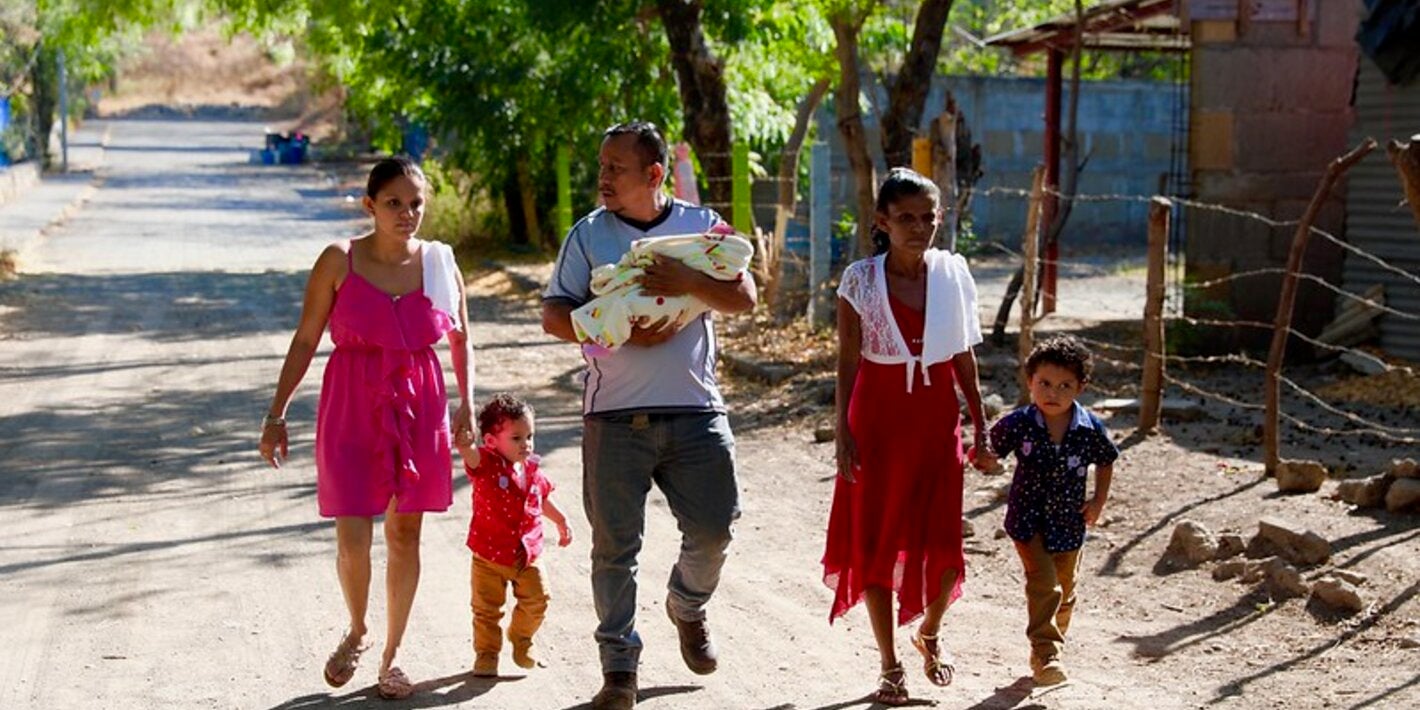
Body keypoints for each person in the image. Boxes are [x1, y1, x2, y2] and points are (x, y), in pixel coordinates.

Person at [541, 121, 756, 710]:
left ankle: (687, 605)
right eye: (602, 165)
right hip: (612, 417)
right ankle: (618, 670)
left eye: (616, 167)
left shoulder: (700, 229)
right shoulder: (587, 236)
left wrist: (687, 280)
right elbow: (554, 314)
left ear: (654, 174)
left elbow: (745, 296)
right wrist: (614, 330)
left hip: (695, 409)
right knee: (614, 549)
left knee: (715, 527)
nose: (603, 177)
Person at [258, 156, 473, 700]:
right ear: (370, 206)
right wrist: (277, 412)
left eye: (416, 204)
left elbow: (461, 339)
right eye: (395, 203)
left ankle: (393, 656)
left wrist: (466, 407)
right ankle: (357, 628)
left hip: (419, 402)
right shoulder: (338, 260)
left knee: (405, 532)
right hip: (351, 400)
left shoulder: (440, 263)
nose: (407, 214)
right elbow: (306, 339)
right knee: (353, 535)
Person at [823, 167, 991, 706]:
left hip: (936, 419)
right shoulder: (860, 281)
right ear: (882, 222)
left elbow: (963, 353)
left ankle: (930, 630)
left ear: (940, 219)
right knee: (875, 536)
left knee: (943, 541)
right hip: (877, 417)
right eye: (905, 219)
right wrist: (842, 430)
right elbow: (847, 360)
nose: (918, 228)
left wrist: (981, 425)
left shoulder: (952, 275)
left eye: (927, 218)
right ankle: (889, 664)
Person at [982, 335, 1117, 686]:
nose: (1052, 393)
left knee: (1065, 591)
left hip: (1070, 522)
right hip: (1028, 521)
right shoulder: (1019, 423)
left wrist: (1098, 501)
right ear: (1029, 382)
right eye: (1044, 383)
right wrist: (984, 460)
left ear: (1080, 388)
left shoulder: (1089, 429)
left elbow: (1106, 462)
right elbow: (989, 449)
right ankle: (1046, 653)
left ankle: (1049, 645)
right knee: (1044, 585)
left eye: (1064, 385)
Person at [454, 393, 572, 678]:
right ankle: (487, 654)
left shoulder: (532, 469)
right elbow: (470, 457)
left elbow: (541, 498)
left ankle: (521, 638)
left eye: (530, 436)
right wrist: (464, 444)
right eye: (517, 438)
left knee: (538, 598)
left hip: (527, 553)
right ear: (492, 442)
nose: (526, 444)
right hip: (488, 554)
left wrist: (561, 520)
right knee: (486, 610)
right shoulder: (485, 464)